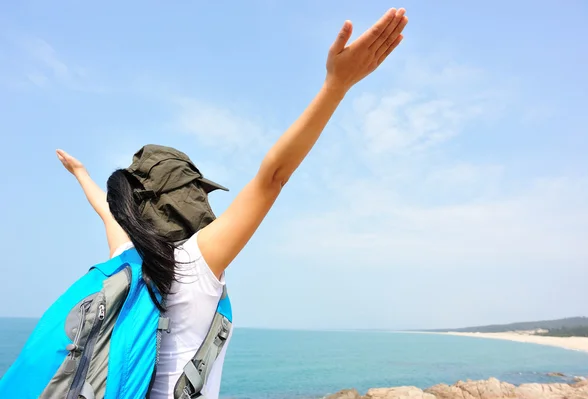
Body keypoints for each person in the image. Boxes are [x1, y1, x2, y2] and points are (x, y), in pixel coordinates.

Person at [56, 7, 408, 399]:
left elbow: (106, 211)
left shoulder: (127, 263)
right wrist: (335, 85)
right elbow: (272, 178)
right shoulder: (193, 264)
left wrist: (82, 174)